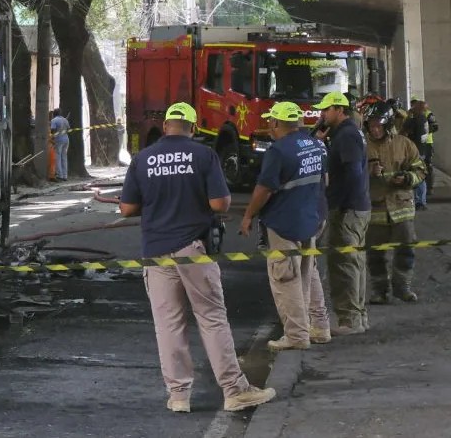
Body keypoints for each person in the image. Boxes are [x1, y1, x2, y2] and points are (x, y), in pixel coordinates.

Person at [119, 102, 275, 414]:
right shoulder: (203, 155)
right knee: (211, 318)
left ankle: (178, 396)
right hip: (193, 250)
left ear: (166, 126)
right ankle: (234, 390)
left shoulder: (143, 159)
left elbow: (126, 208)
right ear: (192, 128)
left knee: (169, 325)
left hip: (156, 253)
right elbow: (220, 203)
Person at [238, 102, 328, 351]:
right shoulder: (316, 145)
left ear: (276, 123)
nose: (269, 126)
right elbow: (323, 181)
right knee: (307, 275)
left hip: (284, 222)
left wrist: (248, 216)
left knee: (286, 278)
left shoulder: (278, 151)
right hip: (311, 219)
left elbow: (264, 189)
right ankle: (319, 327)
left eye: (271, 122)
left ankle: (297, 336)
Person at [313, 91, 372, 336]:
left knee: (344, 265)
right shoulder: (347, 133)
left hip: (348, 210)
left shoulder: (346, 135)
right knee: (355, 263)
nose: (321, 114)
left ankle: (349, 321)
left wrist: (339, 204)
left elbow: (353, 173)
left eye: (325, 110)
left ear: (339, 109)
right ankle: (358, 317)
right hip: (357, 207)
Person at [363, 101, 427, 303]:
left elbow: (421, 170)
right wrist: (367, 172)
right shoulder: (361, 146)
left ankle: (402, 287)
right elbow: (349, 175)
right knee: (375, 256)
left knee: (406, 250)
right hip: (375, 209)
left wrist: (408, 178)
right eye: (371, 125)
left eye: (378, 125)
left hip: (402, 208)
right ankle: (379, 292)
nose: (375, 129)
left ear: (388, 124)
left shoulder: (404, 144)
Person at [403, 97, 438, 210]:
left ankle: (420, 201)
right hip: (422, 149)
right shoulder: (423, 118)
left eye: (414, 106)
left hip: (417, 150)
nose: (412, 107)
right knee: (421, 173)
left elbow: (404, 130)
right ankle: (420, 200)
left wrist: (408, 117)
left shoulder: (417, 119)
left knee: (418, 174)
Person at [50, 108, 70, 181]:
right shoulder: (65, 120)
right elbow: (68, 129)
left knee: (58, 157)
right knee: (64, 157)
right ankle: (65, 175)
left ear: (54, 114)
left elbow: (52, 130)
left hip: (58, 140)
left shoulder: (54, 120)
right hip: (66, 139)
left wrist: (52, 137)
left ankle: (59, 175)